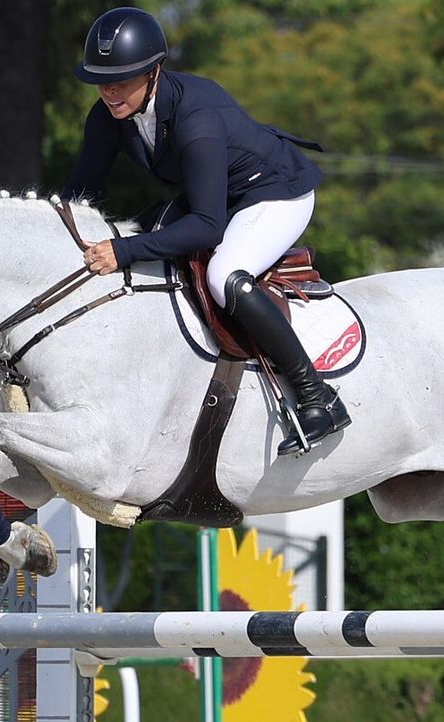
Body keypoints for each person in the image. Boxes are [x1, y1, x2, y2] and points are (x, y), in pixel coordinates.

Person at [62, 6, 351, 457]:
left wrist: (122, 250)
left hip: (274, 192)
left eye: (122, 78)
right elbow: (79, 198)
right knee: (149, 231)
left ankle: (317, 397)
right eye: (100, 79)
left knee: (225, 275)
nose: (108, 90)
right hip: (220, 195)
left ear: (154, 71)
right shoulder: (107, 116)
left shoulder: (197, 117)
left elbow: (207, 226)